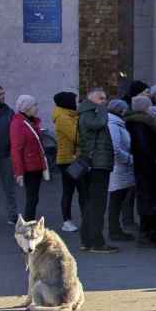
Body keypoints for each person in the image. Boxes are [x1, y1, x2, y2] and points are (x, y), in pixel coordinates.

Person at [78, 88, 118, 254]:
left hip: (96, 163)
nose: (104, 101)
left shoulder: (89, 112)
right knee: (97, 204)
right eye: (101, 99)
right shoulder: (90, 113)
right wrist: (102, 109)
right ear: (92, 99)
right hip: (97, 164)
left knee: (92, 204)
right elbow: (99, 124)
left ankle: (88, 240)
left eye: (105, 99)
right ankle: (96, 242)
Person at [125, 96, 156, 247]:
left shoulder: (135, 122)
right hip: (146, 168)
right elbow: (145, 148)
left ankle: (149, 232)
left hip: (143, 168)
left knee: (146, 199)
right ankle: (147, 234)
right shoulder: (142, 124)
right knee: (148, 200)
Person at [10, 95, 47, 222]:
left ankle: (29, 223)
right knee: (32, 198)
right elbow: (16, 149)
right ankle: (28, 225)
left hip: (35, 165)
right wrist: (19, 172)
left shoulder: (31, 121)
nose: (37, 108)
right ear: (26, 108)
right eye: (34, 105)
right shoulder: (19, 123)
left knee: (34, 197)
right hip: (29, 167)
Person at [106, 99, 135, 242]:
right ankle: (114, 231)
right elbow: (115, 149)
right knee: (116, 200)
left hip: (121, 169)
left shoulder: (116, 123)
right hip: (119, 169)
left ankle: (116, 229)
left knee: (118, 199)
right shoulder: (113, 125)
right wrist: (130, 159)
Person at [52, 92, 82, 232]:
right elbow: (77, 137)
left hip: (73, 158)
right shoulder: (63, 117)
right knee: (69, 191)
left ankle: (81, 219)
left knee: (78, 190)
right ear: (68, 102)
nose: (77, 102)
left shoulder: (70, 115)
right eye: (74, 100)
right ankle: (67, 221)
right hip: (68, 159)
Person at [0, 85, 17, 225]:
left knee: (9, 188)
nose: (2, 97)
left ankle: (13, 215)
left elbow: (14, 132)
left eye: (3, 94)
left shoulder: (8, 112)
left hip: (5, 156)